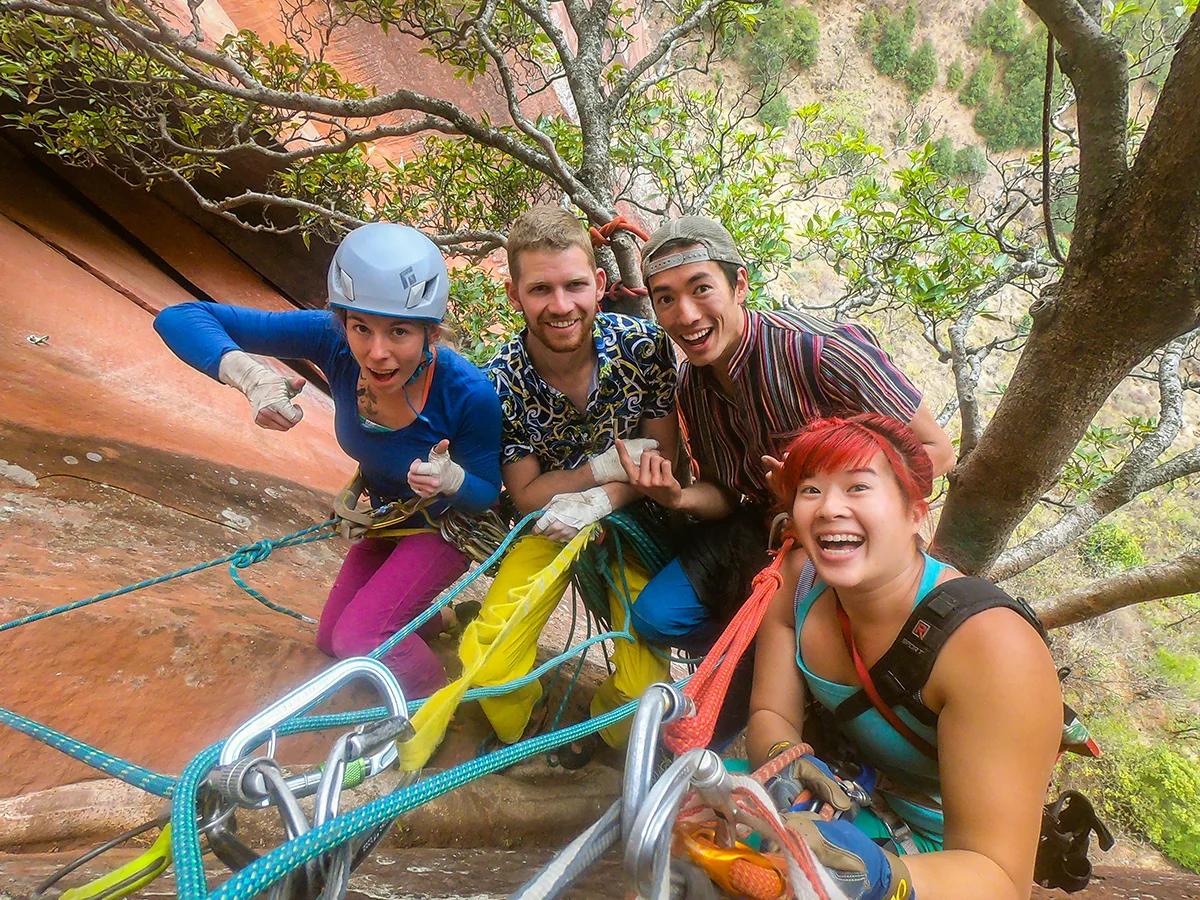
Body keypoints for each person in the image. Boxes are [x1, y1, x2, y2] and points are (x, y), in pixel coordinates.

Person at [154, 223, 503, 698]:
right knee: (330, 637)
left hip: (442, 528)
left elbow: (485, 493)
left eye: (399, 331)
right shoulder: (331, 342)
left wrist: (452, 478)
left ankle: (440, 712)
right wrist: (253, 378)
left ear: (430, 331)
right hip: (386, 517)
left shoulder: (469, 395)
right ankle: (436, 621)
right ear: (342, 323)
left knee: (360, 638)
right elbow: (179, 317)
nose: (377, 353)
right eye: (361, 328)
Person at [747, 413, 1062, 900]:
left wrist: (880, 877)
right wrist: (786, 764)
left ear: (916, 514)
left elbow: (1000, 878)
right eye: (810, 490)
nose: (829, 507)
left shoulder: (992, 647)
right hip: (839, 794)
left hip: (941, 861)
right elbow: (769, 712)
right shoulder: (798, 581)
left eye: (857, 487)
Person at [414, 205, 681, 766]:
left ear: (601, 285)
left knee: (642, 691)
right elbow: (529, 496)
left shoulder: (645, 349)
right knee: (491, 667)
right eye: (541, 290)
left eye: (575, 285)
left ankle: (596, 731)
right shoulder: (502, 382)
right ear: (515, 295)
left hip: (633, 518)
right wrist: (604, 469)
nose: (561, 306)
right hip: (547, 528)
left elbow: (663, 460)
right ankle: (527, 721)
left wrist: (604, 498)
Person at [623, 215, 956, 664]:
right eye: (666, 299)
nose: (686, 314)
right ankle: (753, 661)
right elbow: (724, 492)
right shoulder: (691, 386)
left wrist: (825, 509)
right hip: (760, 527)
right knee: (655, 619)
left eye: (701, 289)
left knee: (790, 643)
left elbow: (937, 452)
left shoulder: (817, 351)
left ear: (739, 285)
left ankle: (776, 669)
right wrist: (677, 496)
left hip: (840, 536)